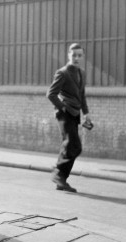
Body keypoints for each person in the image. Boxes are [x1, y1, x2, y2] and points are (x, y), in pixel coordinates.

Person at [47, 43, 93, 193]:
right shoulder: (63, 72)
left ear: (83, 57)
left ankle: (61, 178)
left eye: (79, 55)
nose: (76, 58)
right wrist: (63, 107)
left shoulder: (82, 73)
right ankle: (58, 173)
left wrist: (86, 113)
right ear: (68, 55)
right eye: (74, 55)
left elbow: (82, 95)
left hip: (75, 114)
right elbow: (51, 94)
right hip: (65, 114)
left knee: (73, 146)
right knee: (72, 144)